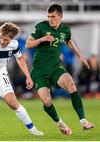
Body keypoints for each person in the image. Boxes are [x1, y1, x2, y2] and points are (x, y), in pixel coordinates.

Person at [25, 4, 94, 135]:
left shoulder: (66, 30)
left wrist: (80, 56)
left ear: (61, 16)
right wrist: (42, 39)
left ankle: (83, 121)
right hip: (39, 72)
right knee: (46, 101)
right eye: (49, 17)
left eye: (54, 17)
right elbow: (28, 43)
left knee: (71, 84)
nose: (51, 19)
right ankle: (60, 124)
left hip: (56, 67)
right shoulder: (41, 27)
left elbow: (68, 41)